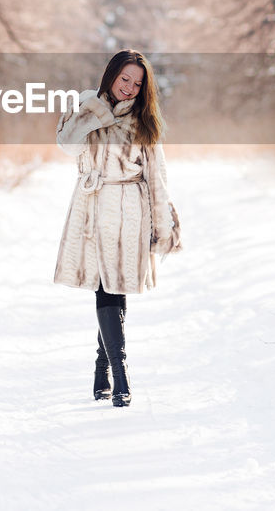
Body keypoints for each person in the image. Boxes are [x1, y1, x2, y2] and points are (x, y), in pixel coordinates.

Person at [54, 49, 181, 408]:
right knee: (103, 286)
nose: (129, 87)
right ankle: (111, 369)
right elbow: (66, 145)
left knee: (114, 286)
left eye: (137, 83)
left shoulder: (144, 123)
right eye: (125, 79)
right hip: (92, 206)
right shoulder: (85, 109)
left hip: (129, 211)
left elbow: (157, 178)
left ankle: (110, 369)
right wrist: (96, 113)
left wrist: (163, 225)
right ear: (111, 75)